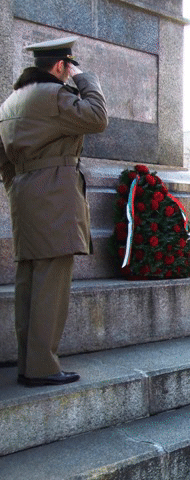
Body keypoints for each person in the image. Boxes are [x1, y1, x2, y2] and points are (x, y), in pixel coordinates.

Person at [0, 37, 108, 386]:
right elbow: (97, 117)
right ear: (61, 65)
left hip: (25, 194)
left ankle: (28, 364)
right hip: (54, 195)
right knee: (51, 284)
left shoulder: (10, 102)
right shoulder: (55, 95)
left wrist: (16, 188)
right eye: (69, 67)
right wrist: (86, 77)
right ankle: (43, 367)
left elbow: (3, 160)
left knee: (29, 283)